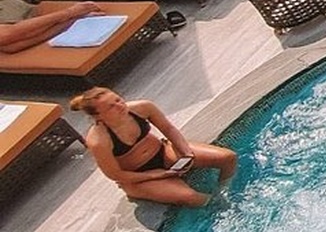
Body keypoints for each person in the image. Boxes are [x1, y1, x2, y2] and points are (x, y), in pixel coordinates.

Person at [72, 87, 236, 207]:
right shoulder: (98, 140)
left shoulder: (142, 108)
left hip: (163, 152)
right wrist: (157, 176)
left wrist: (186, 153)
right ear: (97, 116)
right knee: (192, 197)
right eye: (111, 106)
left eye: (118, 99)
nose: (120, 106)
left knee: (227, 158)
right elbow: (116, 175)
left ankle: (225, 191)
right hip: (138, 175)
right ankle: (220, 208)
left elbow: (168, 129)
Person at [0, 0, 104, 52]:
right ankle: (70, 19)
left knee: (6, 39)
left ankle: (70, 15)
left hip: (10, 12)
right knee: (9, 46)